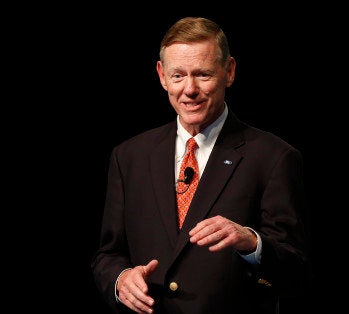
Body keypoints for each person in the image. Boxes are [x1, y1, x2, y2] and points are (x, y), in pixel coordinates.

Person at [91, 16, 311, 314]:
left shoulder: (273, 157)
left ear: (229, 71)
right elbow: (108, 255)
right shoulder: (129, 156)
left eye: (203, 75)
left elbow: (296, 272)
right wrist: (121, 279)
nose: (190, 89)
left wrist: (252, 243)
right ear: (162, 75)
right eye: (178, 75)